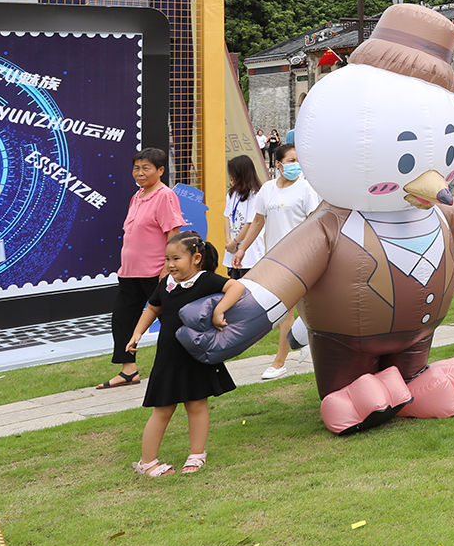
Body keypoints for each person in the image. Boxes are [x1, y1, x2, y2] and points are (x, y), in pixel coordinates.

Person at [125, 232, 235, 476]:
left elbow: (236, 287)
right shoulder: (166, 283)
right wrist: (136, 333)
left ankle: (197, 456)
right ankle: (147, 463)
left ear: (196, 258)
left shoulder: (206, 280)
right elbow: (153, 307)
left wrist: (219, 312)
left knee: (197, 404)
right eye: (167, 259)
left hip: (196, 354)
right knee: (162, 408)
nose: (170, 264)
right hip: (169, 357)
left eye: (176, 258)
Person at [230, 141, 321, 376]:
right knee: (288, 311)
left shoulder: (306, 189)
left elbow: (316, 223)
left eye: (298, 160)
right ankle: (301, 343)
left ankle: (279, 363)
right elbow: (258, 222)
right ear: (278, 164)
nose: (296, 165)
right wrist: (241, 249)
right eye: (291, 161)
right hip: (276, 258)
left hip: (302, 257)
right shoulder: (268, 189)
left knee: (287, 310)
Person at [100, 148, 184, 390]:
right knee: (123, 318)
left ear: (160, 170)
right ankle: (128, 370)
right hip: (129, 272)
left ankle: (180, 367)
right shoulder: (137, 196)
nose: (139, 173)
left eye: (146, 168)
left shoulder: (165, 195)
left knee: (171, 320)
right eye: (136, 168)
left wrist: (169, 267)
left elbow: (173, 233)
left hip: (155, 271)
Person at [222, 155, 265, 281]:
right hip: (232, 250)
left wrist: (235, 242)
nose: (230, 176)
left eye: (233, 173)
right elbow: (227, 217)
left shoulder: (256, 195)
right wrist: (228, 240)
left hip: (250, 252)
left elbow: (251, 223)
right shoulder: (232, 193)